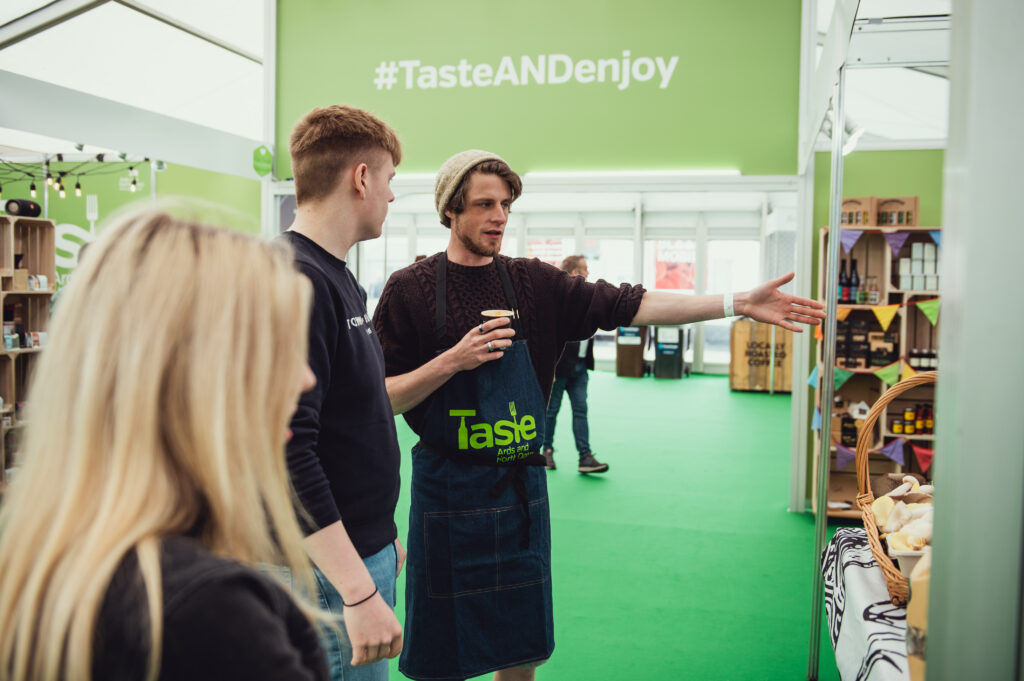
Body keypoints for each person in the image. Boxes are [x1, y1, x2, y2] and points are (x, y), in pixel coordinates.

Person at [373, 149, 825, 681]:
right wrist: (453, 361)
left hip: (519, 490)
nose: (499, 217)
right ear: (450, 209)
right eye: (484, 205)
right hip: (447, 490)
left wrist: (735, 302)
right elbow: (382, 398)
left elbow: (631, 304)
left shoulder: (533, 283)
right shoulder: (410, 290)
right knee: (442, 651)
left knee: (522, 648)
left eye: (506, 205)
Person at [0, 208, 328, 680]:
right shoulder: (208, 613)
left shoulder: (50, 561)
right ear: (199, 379)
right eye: (275, 353)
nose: (305, 379)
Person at [280, 105, 404, 681]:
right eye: (389, 179)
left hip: (357, 549)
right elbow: (285, 449)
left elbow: (352, 416)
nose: (392, 195)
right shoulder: (296, 279)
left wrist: (382, 535)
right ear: (361, 178)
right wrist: (357, 589)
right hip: (326, 572)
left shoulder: (336, 274)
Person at [541, 255, 608, 473]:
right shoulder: (556, 298)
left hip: (581, 367)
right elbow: (549, 334)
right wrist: (549, 366)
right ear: (574, 272)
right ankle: (546, 451)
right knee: (551, 411)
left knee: (581, 411)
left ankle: (585, 457)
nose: (588, 273)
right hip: (559, 367)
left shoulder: (588, 296)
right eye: (585, 269)